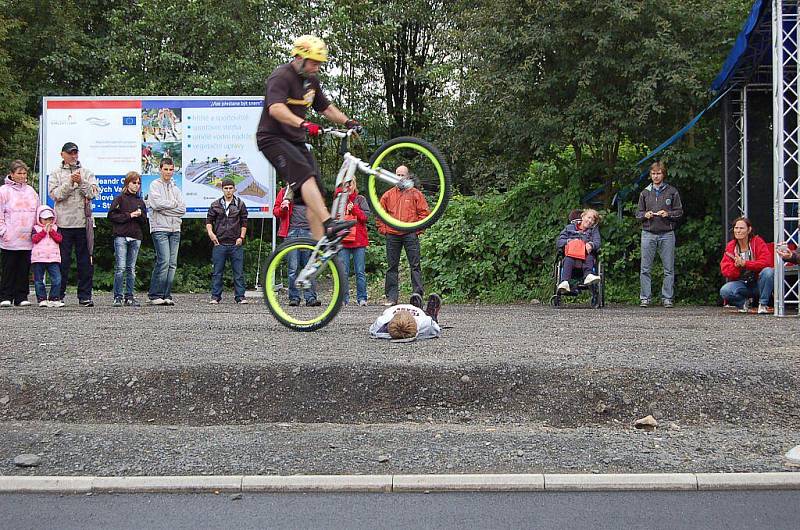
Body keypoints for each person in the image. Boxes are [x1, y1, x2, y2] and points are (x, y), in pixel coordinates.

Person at [256, 34, 360, 244]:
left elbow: (325, 108)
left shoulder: (311, 81)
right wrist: (303, 124)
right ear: (299, 58)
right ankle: (329, 224)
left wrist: (348, 121)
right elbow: (276, 108)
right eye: (314, 62)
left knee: (317, 192)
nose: (317, 68)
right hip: (272, 139)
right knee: (304, 175)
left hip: (295, 141)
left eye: (320, 64)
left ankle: (319, 246)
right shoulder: (281, 76)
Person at [48, 142, 97, 306]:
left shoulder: (87, 173)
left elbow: (93, 193)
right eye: (70, 153)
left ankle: (85, 296)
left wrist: (82, 182)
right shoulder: (55, 174)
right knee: (62, 261)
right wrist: (70, 182)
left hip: (84, 224)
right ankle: (58, 295)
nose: (73, 156)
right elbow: (56, 195)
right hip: (63, 223)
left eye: (76, 153)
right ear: (62, 154)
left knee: (85, 262)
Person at [377, 165, 430, 305]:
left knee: (415, 265)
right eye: (397, 174)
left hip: (410, 234)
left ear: (407, 176)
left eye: (402, 175)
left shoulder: (415, 194)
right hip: (392, 235)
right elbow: (380, 214)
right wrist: (384, 230)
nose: (399, 177)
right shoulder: (388, 195)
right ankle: (391, 298)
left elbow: (424, 214)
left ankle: (417, 297)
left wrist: (416, 230)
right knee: (391, 267)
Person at [635, 161, 683, 308]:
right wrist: (645, 215)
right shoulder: (644, 192)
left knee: (668, 268)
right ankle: (645, 298)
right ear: (650, 175)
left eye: (659, 173)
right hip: (648, 233)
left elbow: (679, 212)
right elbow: (638, 213)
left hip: (667, 233)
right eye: (653, 173)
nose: (656, 176)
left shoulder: (672, 191)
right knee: (645, 268)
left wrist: (667, 214)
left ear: (663, 174)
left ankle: (667, 298)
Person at [146, 158, 185, 306]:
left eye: (171, 169)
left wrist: (167, 209)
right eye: (165, 169)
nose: (168, 172)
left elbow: (182, 209)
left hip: (175, 229)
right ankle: (155, 295)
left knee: (172, 264)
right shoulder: (154, 185)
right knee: (164, 261)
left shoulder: (176, 188)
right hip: (160, 228)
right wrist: (173, 206)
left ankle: (166, 294)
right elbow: (155, 204)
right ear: (160, 169)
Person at [0, 160, 38, 307]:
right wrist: (3, 231)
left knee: (24, 268)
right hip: (10, 237)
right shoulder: (3, 191)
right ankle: (5, 296)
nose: (22, 176)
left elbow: (37, 211)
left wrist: (35, 231)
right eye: (19, 173)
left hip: (27, 237)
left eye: (24, 173)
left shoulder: (31, 191)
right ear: (12, 174)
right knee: (9, 268)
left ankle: (21, 296)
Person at [273, 184, 319, 306]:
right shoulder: (284, 192)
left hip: (308, 232)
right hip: (291, 232)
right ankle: (294, 297)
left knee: (309, 267)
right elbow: (276, 212)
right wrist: (283, 208)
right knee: (293, 268)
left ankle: (310, 298)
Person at [108, 171, 148, 307]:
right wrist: (129, 215)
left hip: (136, 237)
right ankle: (117, 296)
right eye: (133, 182)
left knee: (131, 268)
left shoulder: (140, 201)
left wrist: (140, 215)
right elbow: (112, 216)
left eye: (138, 183)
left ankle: (129, 296)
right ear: (127, 183)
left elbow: (144, 221)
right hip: (121, 236)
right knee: (120, 267)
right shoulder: (119, 199)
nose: (136, 185)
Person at [719, 217, 774, 314]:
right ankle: (743, 304)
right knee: (725, 290)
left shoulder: (757, 242)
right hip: (742, 284)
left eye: (741, 228)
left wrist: (745, 263)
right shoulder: (731, 246)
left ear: (749, 230)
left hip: (758, 283)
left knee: (768, 272)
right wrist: (736, 266)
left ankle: (763, 305)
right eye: (736, 228)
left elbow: (767, 262)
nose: (738, 231)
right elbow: (725, 270)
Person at [206, 178, 248, 304]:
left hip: (235, 243)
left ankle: (240, 297)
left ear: (234, 189)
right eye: (226, 188)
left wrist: (241, 237)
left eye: (231, 188)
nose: (228, 191)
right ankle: (215, 297)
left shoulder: (240, 204)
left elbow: (244, 222)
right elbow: (209, 221)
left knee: (238, 272)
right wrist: (211, 234)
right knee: (217, 272)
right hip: (219, 243)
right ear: (222, 189)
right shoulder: (215, 204)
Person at [338, 180, 370, 306]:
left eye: (350, 184)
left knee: (360, 271)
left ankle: (362, 298)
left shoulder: (360, 199)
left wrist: (354, 209)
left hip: (359, 241)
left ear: (355, 185)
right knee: (343, 272)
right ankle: (344, 299)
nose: (348, 187)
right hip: (344, 241)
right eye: (345, 184)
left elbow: (365, 218)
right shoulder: (340, 200)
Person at [556, 208, 602, 293]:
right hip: (571, 258)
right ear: (583, 216)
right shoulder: (569, 228)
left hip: (586, 258)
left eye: (593, 220)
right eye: (589, 217)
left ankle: (588, 275)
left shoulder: (594, 231)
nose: (590, 221)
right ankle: (564, 282)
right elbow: (559, 242)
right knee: (567, 259)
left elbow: (597, 242)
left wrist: (591, 245)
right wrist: (569, 242)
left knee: (590, 257)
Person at [369, 293, 442, 341]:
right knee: (431, 319)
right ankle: (431, 314)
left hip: (397, 311)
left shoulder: (381, 322)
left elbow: (372, 330)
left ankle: (417, 307)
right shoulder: (425, 323)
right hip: (420, 314)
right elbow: (436, 330)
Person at [30, 205, 64, 308]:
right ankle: (42, 299)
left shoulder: (56, 228)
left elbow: (60, 239)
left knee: (57, 279)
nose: (48, 221)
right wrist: (44, 232)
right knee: (38, 280)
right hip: (38, 258)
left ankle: (54, 298)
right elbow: (34, 239)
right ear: (39, 218)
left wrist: (52, 231)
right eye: (45, 219)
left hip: (53, 258)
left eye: (50, 219)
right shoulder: (35, 228)